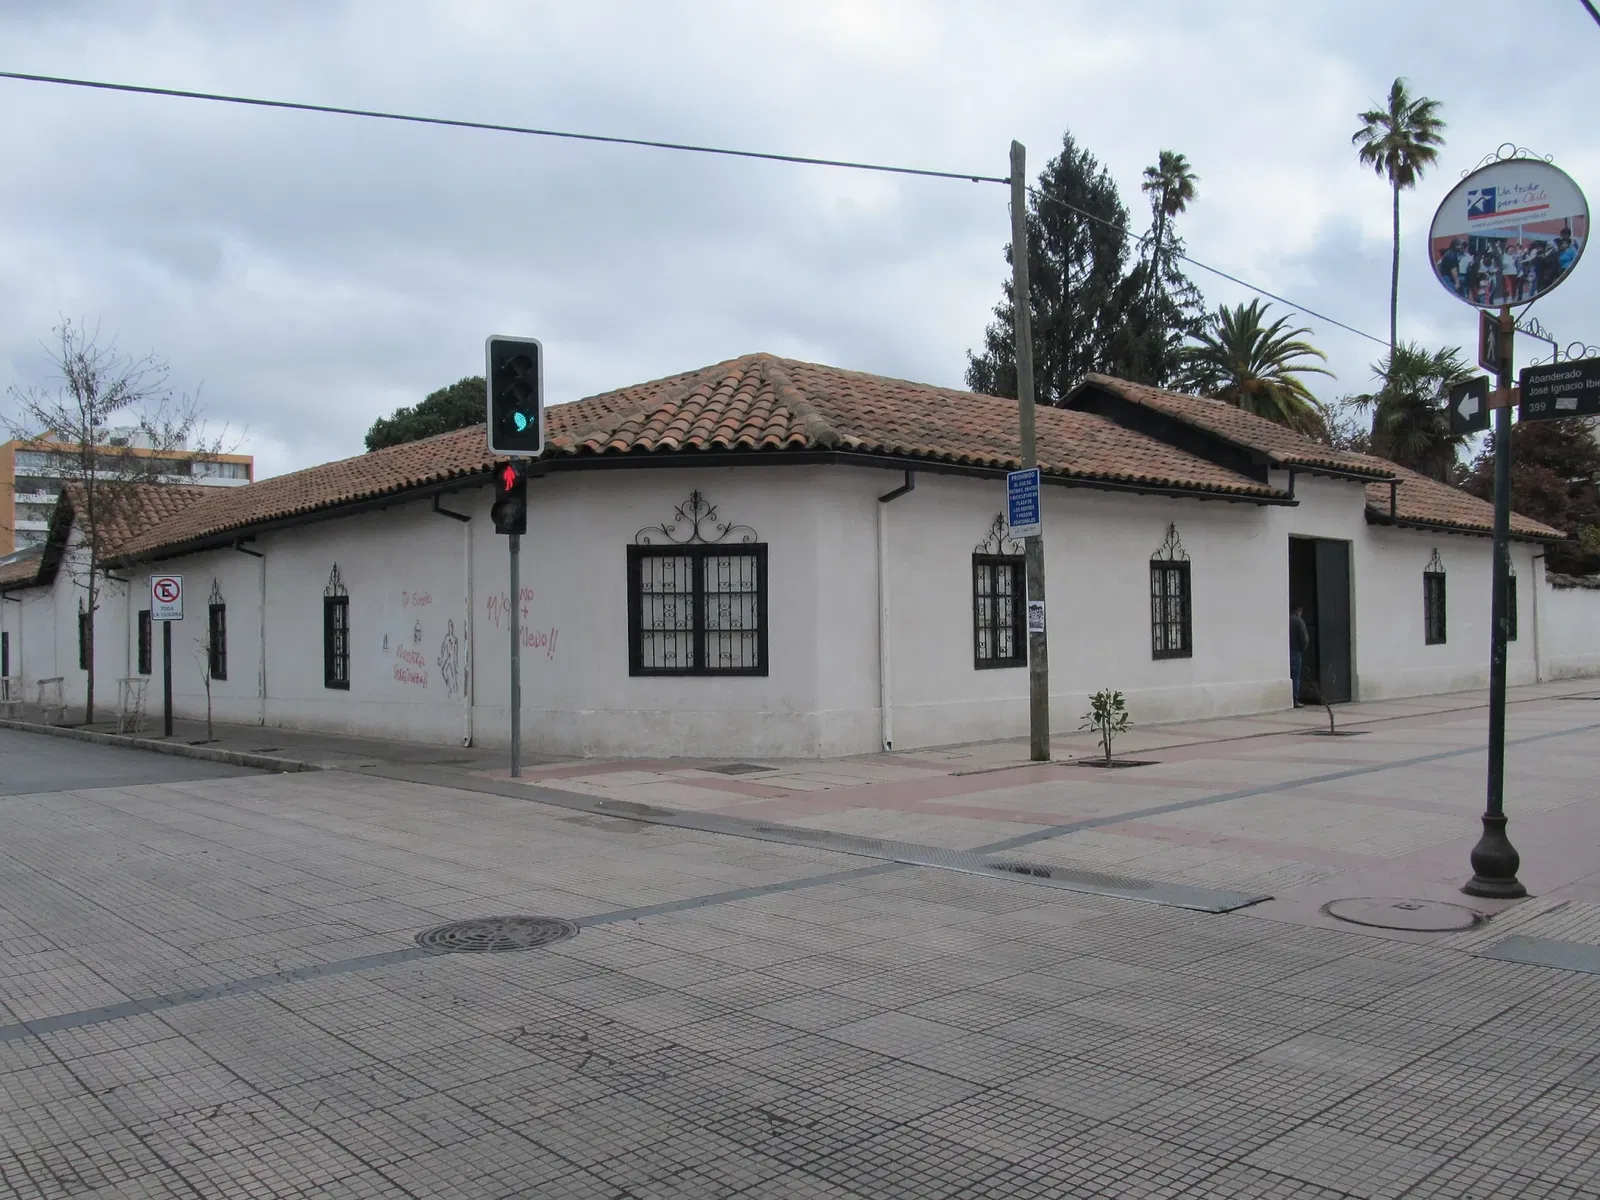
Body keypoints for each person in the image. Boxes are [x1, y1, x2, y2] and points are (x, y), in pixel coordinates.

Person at [1290, 606, 1311, 707]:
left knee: (1290, 676)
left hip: (1286, 652)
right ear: (1299, 611)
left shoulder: (1286, 619)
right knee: (1295, 677)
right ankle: (1295, 700)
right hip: (1296, 651)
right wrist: (1303, 649)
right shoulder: (1299, 621)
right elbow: (1304, 638)